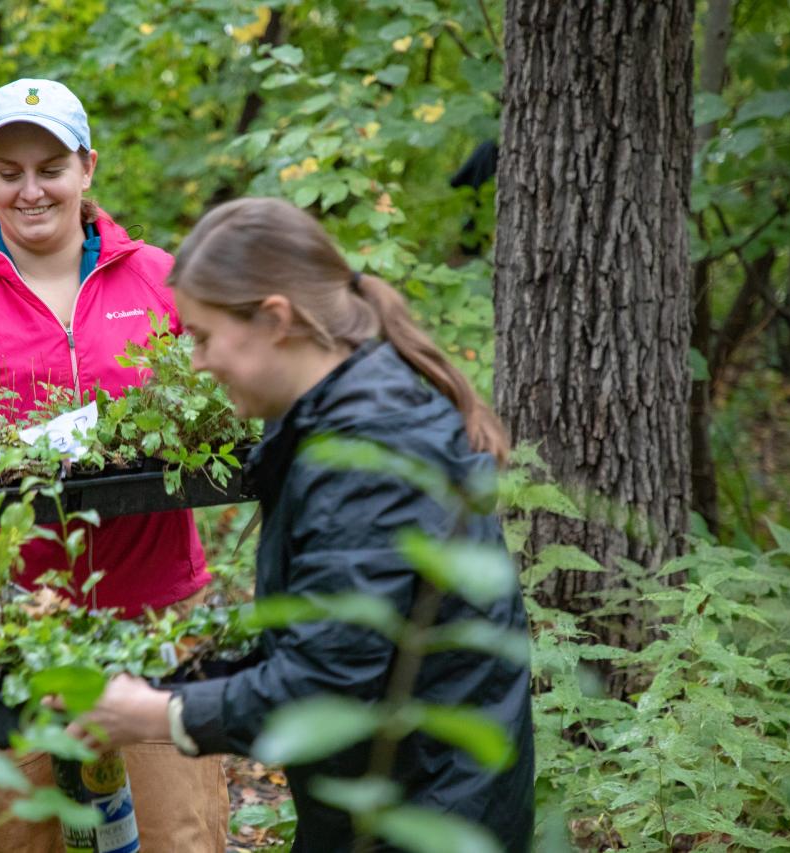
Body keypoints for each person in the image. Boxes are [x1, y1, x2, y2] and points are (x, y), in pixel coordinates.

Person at [64, 197, 536, 852]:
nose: (196, 361)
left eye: (201, 336)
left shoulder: (368, 455)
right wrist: (165, 685)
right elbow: (328, 641)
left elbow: (324, 688)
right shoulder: (337, 420)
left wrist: (159, 712)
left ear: (275, 319)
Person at [0, 78, 227, 850]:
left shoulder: (157, 277)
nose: (31, 189)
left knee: (178, 834)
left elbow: (225, 387)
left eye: (50, 167)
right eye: (10, 169)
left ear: (87, 167)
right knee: (10, 837)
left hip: (150, 612)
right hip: (0, 619)